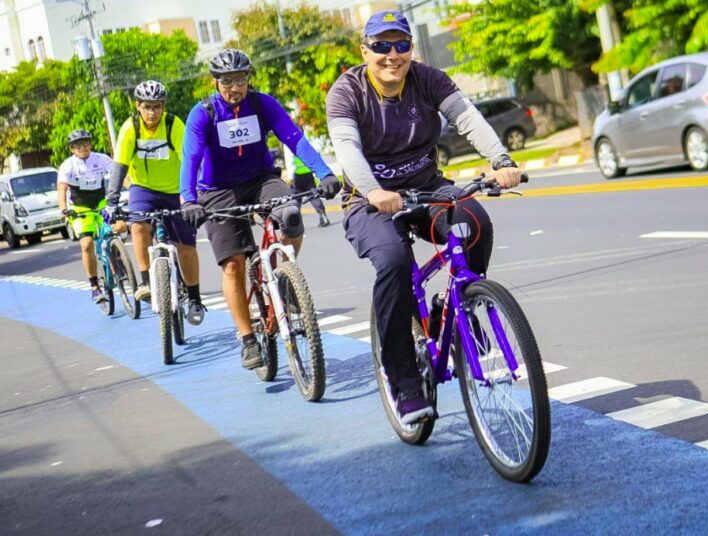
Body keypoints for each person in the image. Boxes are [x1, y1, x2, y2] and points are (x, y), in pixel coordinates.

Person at [325, 11, 523, 425]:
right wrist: (375, 191)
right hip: (368, 200)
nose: (391, 55)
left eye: (400, 45)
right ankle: (404, 380)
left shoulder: (428, 79)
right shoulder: (347, 91)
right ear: (365, 51)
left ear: (411, 50)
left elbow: (467, 117)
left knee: (475, 222)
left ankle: (457, 305)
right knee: (395, 262)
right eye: (381, 46)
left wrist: (501, 160)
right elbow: (347, 149)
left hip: (428, 186)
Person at [179, 48, 340, 370]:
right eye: (227, 82)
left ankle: (284, 277)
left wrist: (324, 172)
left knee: (292, 216)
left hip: (261, 180)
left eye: (240, 80)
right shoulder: (204, 113)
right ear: (215, 83)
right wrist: (188, 199)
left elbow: (295, 139)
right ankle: (247, 339)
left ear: (248, 79)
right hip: (218, 191)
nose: (234, 88)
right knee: (233, 265)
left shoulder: (261, 103)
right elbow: (191, 158)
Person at [105, 80, 206, 325]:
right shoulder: (131, 128)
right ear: (138, 106)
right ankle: (145, 283)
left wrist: (194, 193)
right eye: (147, 106)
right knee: (139, 225)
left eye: (157, 106)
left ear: (164, 106)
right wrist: (111, 200)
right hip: (144, 189)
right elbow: (120, 165)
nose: (152, 112)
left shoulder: (173, 124)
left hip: (175, 190)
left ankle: (194, 298)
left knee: (185, 244)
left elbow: (190, 158)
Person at [57, 129, 115, 303]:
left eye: (85, 143)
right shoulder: (68, 165)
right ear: (72, 149)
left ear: (90, 144)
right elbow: (62, 188)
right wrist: (63, 209)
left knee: (119, 228)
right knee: (87, 244)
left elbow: (119, 176)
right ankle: (95, 286)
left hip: (101, 203)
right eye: (77, 145)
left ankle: (117, 261)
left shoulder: (102, 159)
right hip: (80, 208)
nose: (82, 148)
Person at [285, 149, 331, 227]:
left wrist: (290, 177)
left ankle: (295, 221)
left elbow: (290, 160)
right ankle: (322, 215)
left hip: (297, 174)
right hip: (308, 172)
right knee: (313, 194)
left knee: (296, 197)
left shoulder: (287, 141)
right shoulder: (304, 138)